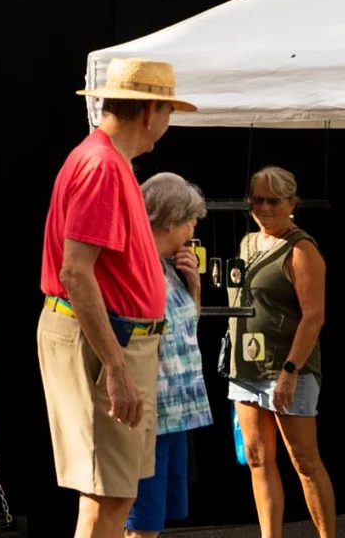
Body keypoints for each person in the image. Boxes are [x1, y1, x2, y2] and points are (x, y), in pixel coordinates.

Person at [38, 58, 193, 538]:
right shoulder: (102, 165)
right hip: (108, 341)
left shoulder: (109, 161)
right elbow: (75, 272)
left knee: (115, 493)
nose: (168, 122)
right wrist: (118, 368)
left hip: (122, 340)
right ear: (149, 112)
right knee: (106, 494)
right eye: (168, 111)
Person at [226, 165, 333, 538]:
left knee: (304, 461)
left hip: (287, 370)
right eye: (257, 200)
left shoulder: (301, 249)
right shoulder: (247, 243)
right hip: (245, 369)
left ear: (292, 203)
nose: (264, 208)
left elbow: (314, 317)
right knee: (257, 459)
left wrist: (290, 371)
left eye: (274, 201)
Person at [126, 174, 211, 538]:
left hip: (177, 411)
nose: (194, 227)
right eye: (191, 219)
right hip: (152, 411)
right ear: (171, 220)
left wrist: (194, 288)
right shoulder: (136, 266)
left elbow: (183, 329)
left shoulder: (166, 265)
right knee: (141, 518)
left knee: (155, 518)